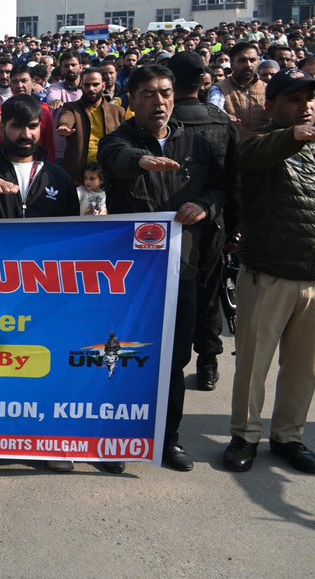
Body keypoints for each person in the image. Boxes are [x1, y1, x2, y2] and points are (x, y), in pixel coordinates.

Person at [98, 64, 224, 473]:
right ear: (131, 100)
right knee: (123, 358)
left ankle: (167, 439)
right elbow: (116, 160)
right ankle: (114, 441)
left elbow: (218, 189)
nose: (159, 101)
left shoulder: (196, 143)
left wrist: (204, 206)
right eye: (149, 94)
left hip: (182, 271)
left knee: (173, 360)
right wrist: (143, 161)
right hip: (131, 277)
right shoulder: (118, 140)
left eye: (165, 93)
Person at [0, 94, 83, 475]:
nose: (25, 133)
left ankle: (48, 444)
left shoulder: (58, 177)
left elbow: (73, 237)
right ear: (2, 127)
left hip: (44, 292)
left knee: (44, 366)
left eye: (32, 126)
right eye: (17, 125)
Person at [223, 67, 315, 475]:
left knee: (302, 368)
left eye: (310, 98)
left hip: (311, 277)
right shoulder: (258, 143)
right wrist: (293, 136)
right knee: (254, 364)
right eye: (295, 99)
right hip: (268, 274)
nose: (306, 105)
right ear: (272, 104)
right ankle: (244, 435)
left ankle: (288, 437)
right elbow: (256, 156)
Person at [167, 51, 242, 393]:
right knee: (208, 294)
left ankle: (174, 363)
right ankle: (208, 359)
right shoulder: (221, 120)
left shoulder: (156, 120)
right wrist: (233, 228)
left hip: (168, 224)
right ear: (202, 80)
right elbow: (233, 182)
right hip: (214, 222)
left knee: (171, 296)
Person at [56, 68, 125, 184]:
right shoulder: (72, 107)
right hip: (79, 174)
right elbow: (67, 116)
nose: (91, 89)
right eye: (87, 85)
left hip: (109, 174)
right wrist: (64, 125)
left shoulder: (118, 112)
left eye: (95, 84)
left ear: (103, 86)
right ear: (82, 86)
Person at [216, 43, 268, 141]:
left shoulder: (268, 89)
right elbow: (214, 107)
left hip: (263, 148)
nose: (248, 65)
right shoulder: (219, 88)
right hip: (232, 149)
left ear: (258, 61)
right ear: (232, 63)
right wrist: (223, 116)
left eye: (252, 60)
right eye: (242, 60)